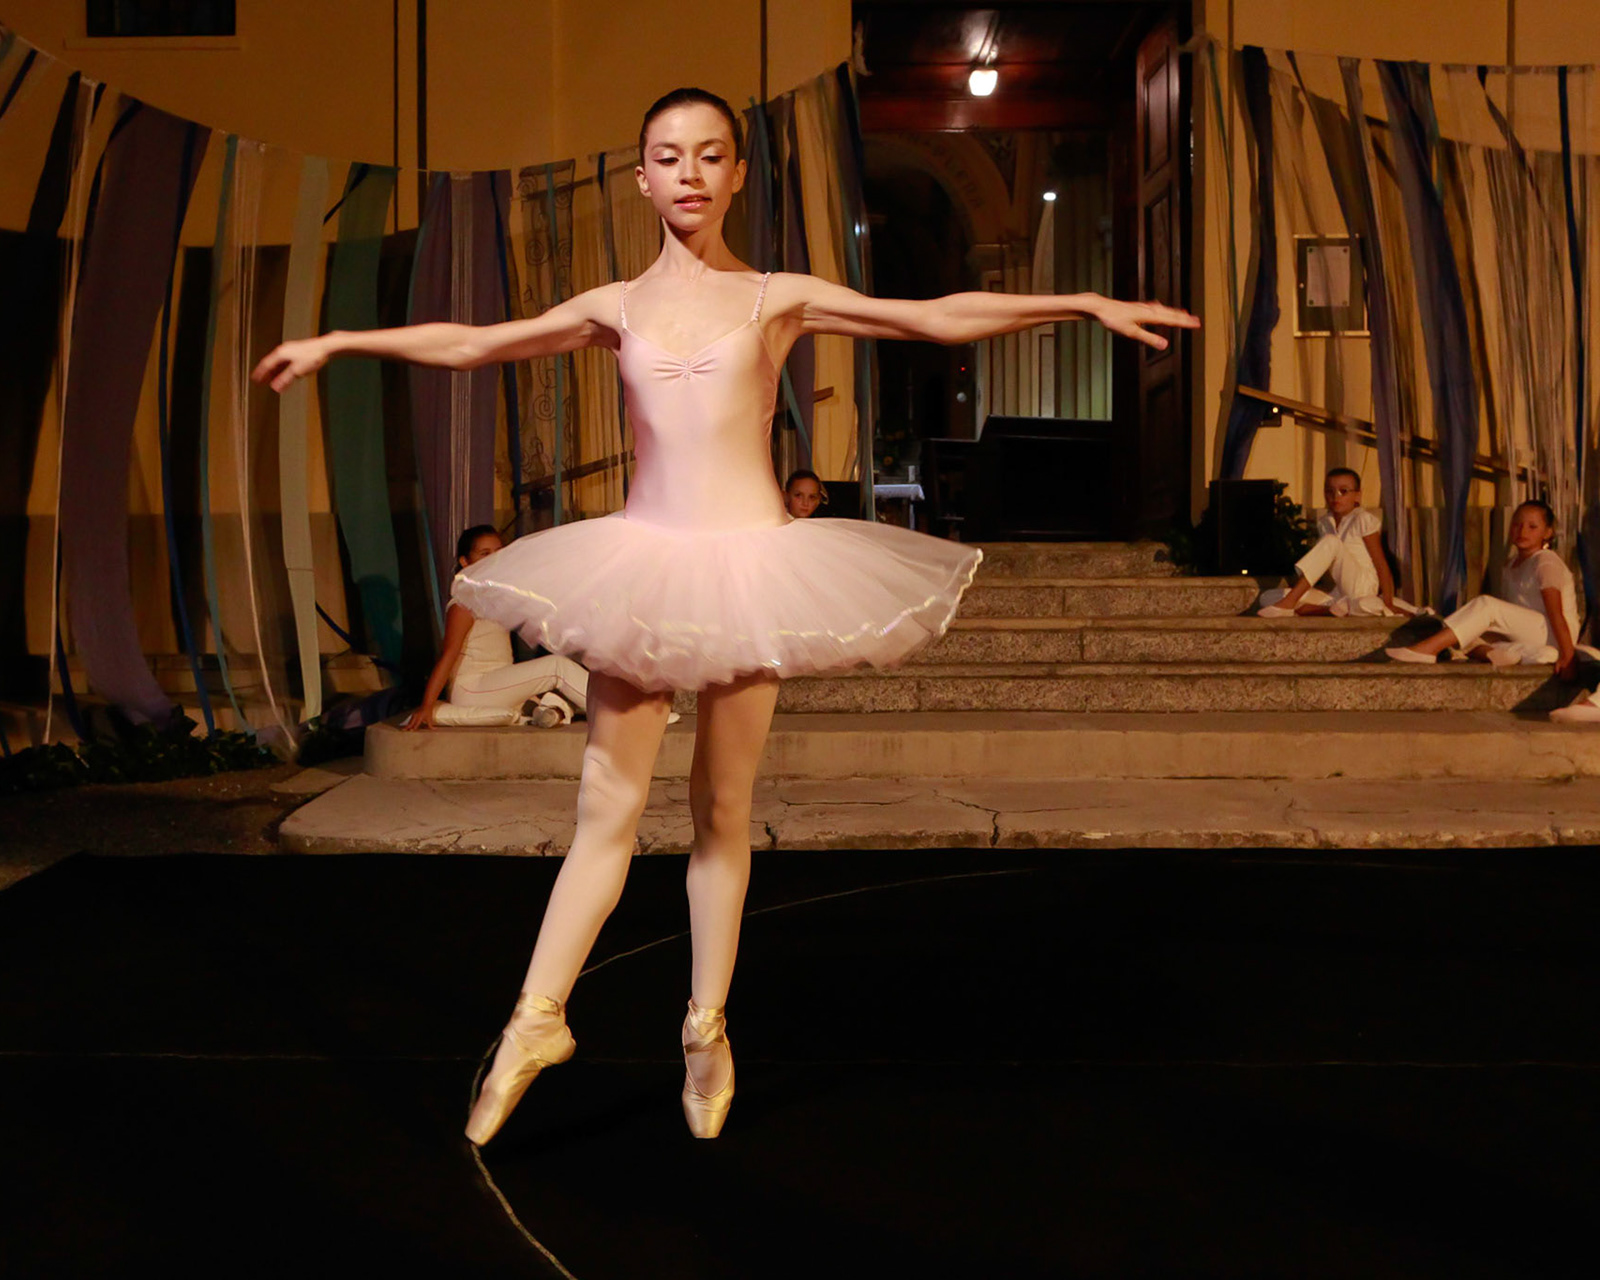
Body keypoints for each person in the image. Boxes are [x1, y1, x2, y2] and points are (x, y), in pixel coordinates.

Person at [254, 86, 1196, 1145]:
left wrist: (1077, 304)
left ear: (737, 173)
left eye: (710, 155)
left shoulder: (776, 297)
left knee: (720, 809)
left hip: (750, 568)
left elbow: (931, 317)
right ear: (644, 175)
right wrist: (340, 340)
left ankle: (705, 1024)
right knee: (605, 807)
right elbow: (478, 342)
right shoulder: (614, 306)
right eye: (669, 155)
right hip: (646, 567)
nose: (690, 173)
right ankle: (537, 1016)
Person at [401, 525, 590, 731]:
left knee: (549, 697)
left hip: (498, 683)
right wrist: (427, 705)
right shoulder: (463, 602)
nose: (494, 558)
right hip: (474, 689)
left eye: (499, 552)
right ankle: (617, 709)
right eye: (485, 554)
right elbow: (449, 653)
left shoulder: (494, 597)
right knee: (556, 667)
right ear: (465, 562)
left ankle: (549, 712)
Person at [1386, 500, 1578, 674]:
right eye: (1517, 525)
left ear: (1547, 533)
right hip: (1532, 634)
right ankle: (1494, 654)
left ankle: (1427, 650)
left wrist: (1568, 656)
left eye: (1532, 527)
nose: (1522, 531)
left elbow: (1556, 613)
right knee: (1466, 627)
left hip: (1556, 632)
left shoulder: (1546, 562)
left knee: (1486, 605)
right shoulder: (1511, 564)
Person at [1257, 468, 1415, 617]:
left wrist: (1388, 602)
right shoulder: (1324, 522)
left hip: (1361, 587)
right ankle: (1328, 609)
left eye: (1343, 491)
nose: (1336, 496)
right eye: (1329, 491)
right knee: (1267, 597)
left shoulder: (1363, 519)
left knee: (1370, 602)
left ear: (1357, 496)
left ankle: (1292, 603)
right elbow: (1328, 567)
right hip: (1339, 593)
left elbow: (1381, 563)